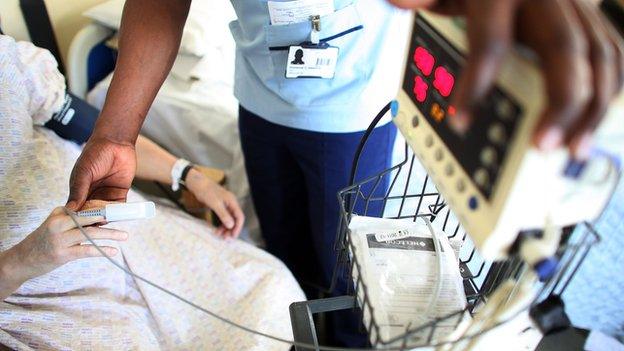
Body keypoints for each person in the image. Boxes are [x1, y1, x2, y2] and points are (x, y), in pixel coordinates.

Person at [65, 0, 623, 346]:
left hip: (350, 109)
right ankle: (306, 327)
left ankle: (354, 342)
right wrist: (115, 132)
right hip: (259, 97)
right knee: (286, 245)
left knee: (349, 267)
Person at [0, 35, 302, 350]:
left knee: (268, 286)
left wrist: (188, 175)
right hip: (38, 295)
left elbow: (102, 138)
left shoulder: (8, 63)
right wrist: (24, 260)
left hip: (130, 240)